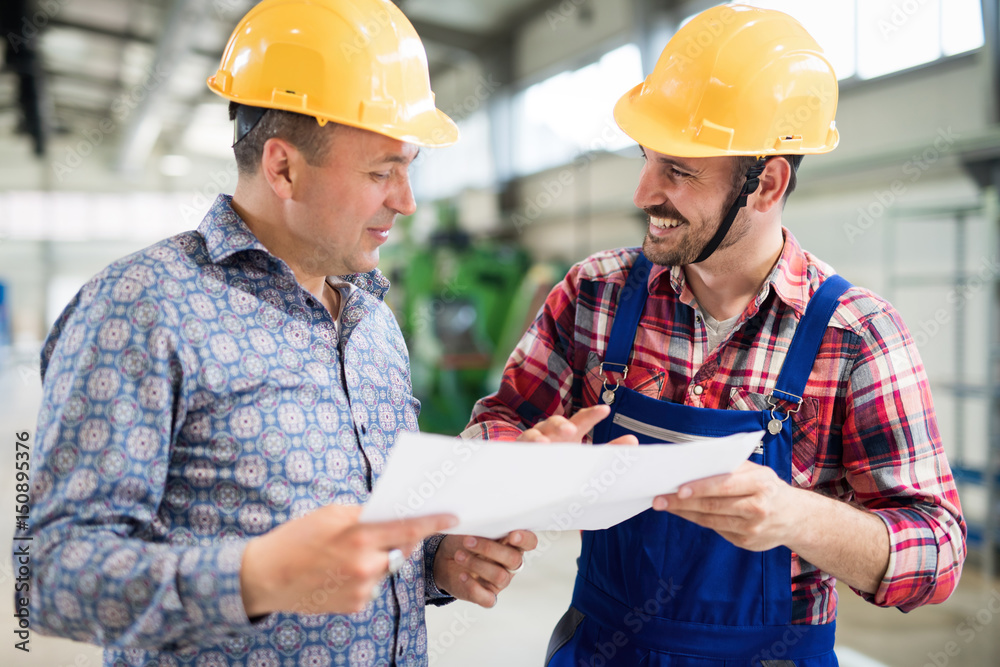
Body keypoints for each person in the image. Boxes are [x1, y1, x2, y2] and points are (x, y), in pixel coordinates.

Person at [18, 0, 535, 665]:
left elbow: (366, 534)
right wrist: (254, 576)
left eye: (409, 168)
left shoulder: (373, 322)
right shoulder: (142, 309)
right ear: (283, 166)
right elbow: (51, 577)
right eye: (382, 172)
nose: (406, 201)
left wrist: (435, 563)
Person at [465, 5, 966, 666]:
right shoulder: (595, 294)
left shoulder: (857, 336)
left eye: (679, 170)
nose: (645, 191)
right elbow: (496, 423)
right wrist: (524, 455)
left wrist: (795, 516)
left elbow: (938, 551)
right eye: (647, 159)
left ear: (767, 184)